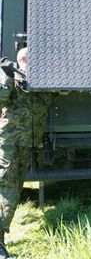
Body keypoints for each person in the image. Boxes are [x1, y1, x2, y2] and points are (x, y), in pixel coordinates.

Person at [0, 48, 53, 258]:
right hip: (10, 142)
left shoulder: (40, 81)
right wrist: (7, 76)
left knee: (14, 188)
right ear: (23, 61)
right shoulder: (9, 78)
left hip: (26, 143)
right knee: (6, 187)